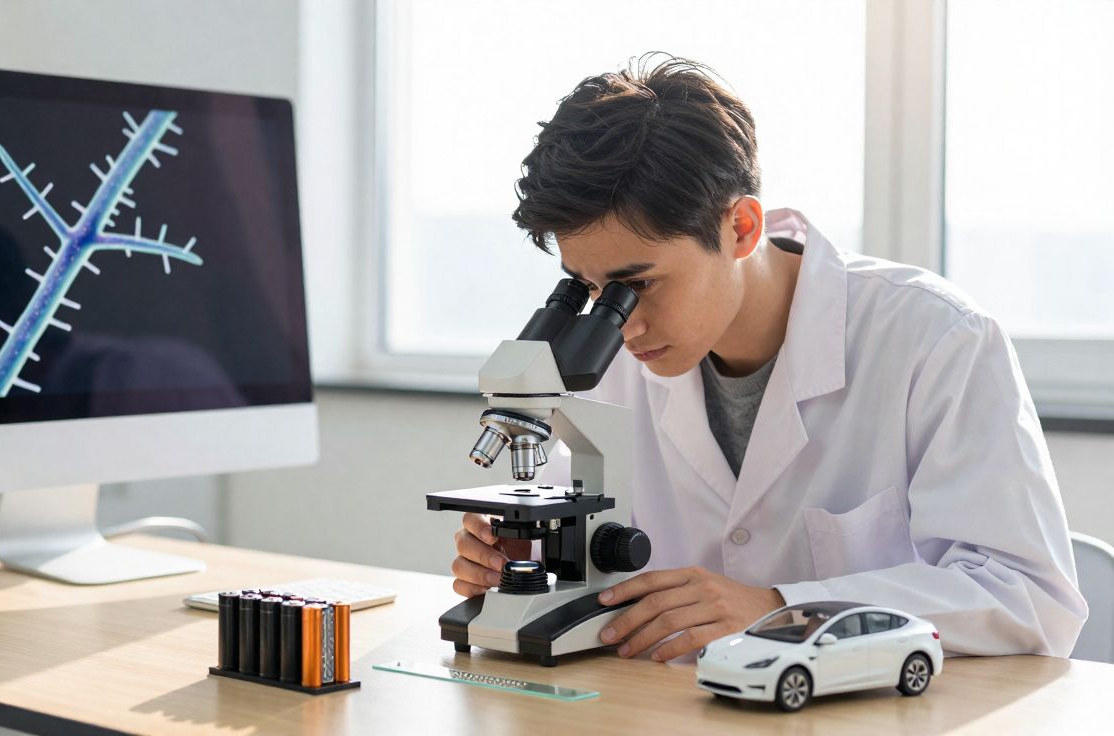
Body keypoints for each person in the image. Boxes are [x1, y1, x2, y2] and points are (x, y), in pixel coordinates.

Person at [449, 54, 1087, 662]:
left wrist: (779, 607)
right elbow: (589, 540)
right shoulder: (615, 356)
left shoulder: (936, 339)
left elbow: (1029, 599)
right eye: (591, 290)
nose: (624, 324)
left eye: (636, 285)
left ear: (742, 228)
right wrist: (524, 560)